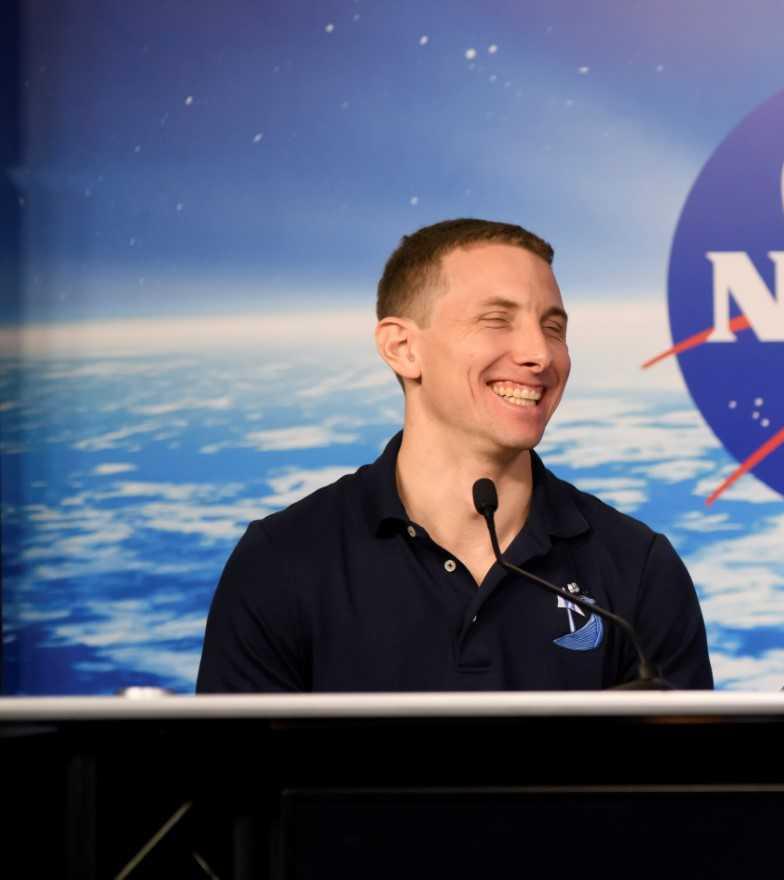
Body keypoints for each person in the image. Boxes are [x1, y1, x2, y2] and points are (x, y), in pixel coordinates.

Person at [198, 219, 712, 691]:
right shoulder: (285, 559)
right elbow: (233, 788)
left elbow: (686, 789)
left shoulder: (637, 568)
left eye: (554, 327)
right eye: (497, 320)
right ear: (402, 348)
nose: (539, 353)